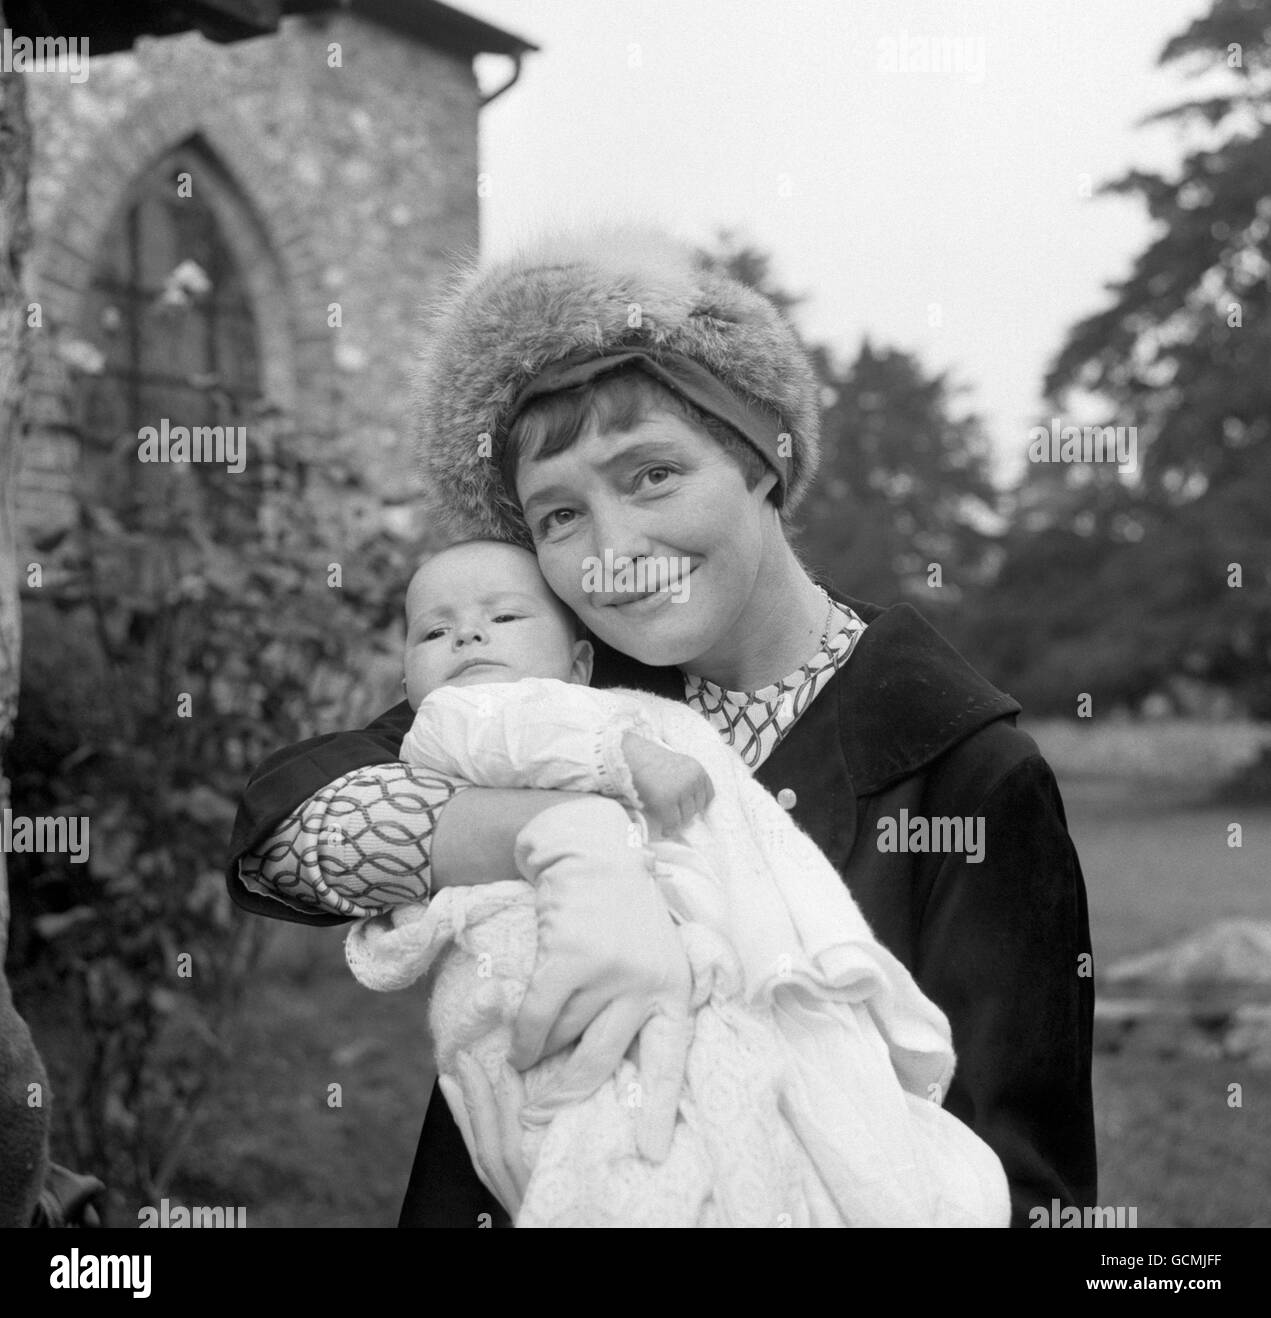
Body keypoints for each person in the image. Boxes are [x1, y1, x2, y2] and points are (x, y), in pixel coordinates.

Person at [227, 225, 1096, 1228]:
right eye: (555, 516)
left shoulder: (968, 776)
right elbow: (278, 829)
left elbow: (1028, 1200)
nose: (610, 551)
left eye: (649, 475)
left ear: (764, 461)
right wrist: (566, 841)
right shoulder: (568, 694)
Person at [341, 538, 1011, 1226]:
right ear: (408, 689)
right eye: (433, 630)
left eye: (505, 618)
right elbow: (508, 731)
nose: (468, 634)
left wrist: (828, 953)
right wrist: (622, 753)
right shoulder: (455, 720)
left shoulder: (636, 710)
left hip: (666, 981)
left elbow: (761, 844)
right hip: (529, 975)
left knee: (725, 1125)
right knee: (616, 1129)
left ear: (578, 663)